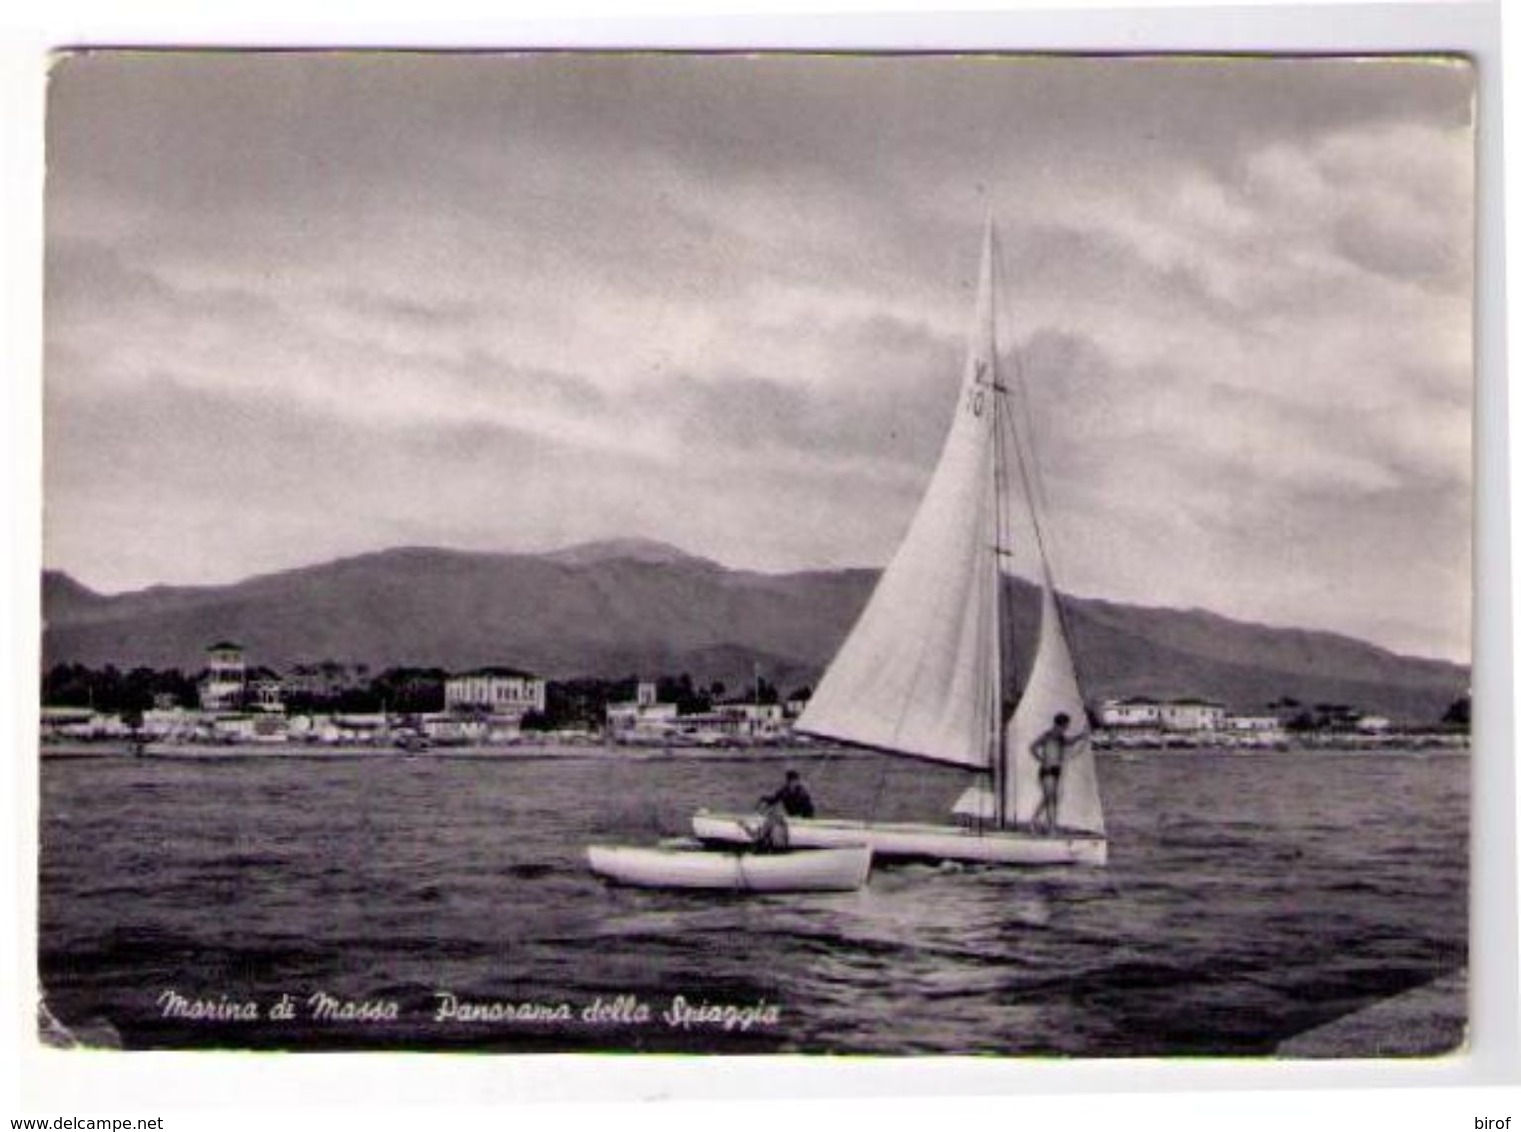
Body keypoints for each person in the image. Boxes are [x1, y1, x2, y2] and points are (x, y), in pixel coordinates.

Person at [1029, 712, 1087, 834]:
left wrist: (1081, 735)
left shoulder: (1060, 737)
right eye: (1066, 726)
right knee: (1051, 799)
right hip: (1047, 770)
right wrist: (1041, 759)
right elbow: (1033, 747)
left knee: (1048, 798)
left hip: (1056, 770)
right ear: (1060, 725)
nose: (1066, 728)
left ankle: (1034, 821)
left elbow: (1070, 742)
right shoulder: (1048, 735)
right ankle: (1051, 828)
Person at [750, 770, 814, 852]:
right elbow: (773, 800)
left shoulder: (802, 793)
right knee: (774, 817)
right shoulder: (784, 791)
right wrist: (764, 799)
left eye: (795, 781)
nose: (793, 783)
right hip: (793, 817)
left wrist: (802, 818)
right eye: (791, 781)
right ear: (788, 781)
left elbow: (808, 808)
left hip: (804, 816)